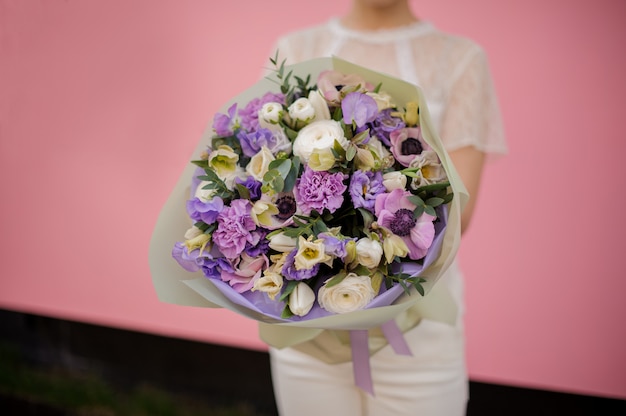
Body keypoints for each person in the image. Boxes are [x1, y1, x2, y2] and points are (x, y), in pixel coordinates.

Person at [263, 1, 507, 415]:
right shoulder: (297, 47)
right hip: (309, 323)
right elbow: (267, 183)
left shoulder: (460, 59)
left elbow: (460, 212)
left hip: (418, 323)